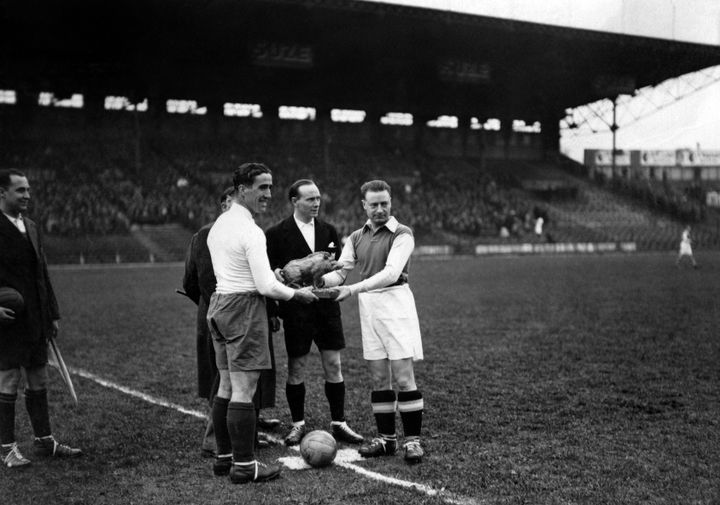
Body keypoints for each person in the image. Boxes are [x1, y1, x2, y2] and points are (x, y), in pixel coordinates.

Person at [206, 163, 317, 484]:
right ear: (242, 190)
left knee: (226, 386)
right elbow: (266, 286)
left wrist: (275, 277)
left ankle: (224, 459)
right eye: (262, 187)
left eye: (270, 187)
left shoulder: (219, 225)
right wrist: (298, 295)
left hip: (220, 305)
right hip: (244, 308)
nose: (268, 194)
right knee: (244, 389)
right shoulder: (250, 231)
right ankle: (244, 465)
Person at [321, 179, 425, 464]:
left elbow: (391, 273)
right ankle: (387, 440)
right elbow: (340, 273)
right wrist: (315, 279)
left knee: (403, 377)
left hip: (396, 303)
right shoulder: (355, 237)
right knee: (379, 377)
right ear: (364, 205)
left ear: (391, 203)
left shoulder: (403, 233)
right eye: (374, 204)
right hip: (370, 306)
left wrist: (352, 289)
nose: (380, 209)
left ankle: (413, 441)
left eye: (385, 203)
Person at [182, 187, 281, 458]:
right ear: (224, 203)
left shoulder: (247, 230)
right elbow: (196, 281)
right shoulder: (207, 234)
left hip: (243, 308)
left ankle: (245, 433)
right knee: (226, 379)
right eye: (228, 201)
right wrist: (217, 304)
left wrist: (271, 311)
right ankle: (217, 440)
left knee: (245, 375)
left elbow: (260, 274)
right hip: (228, 310)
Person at [265, 179, 364, 447]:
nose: (316, 203)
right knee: (296, 368)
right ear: (294, 201)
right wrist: (273, 309)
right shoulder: (275, 234)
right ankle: (297, 424)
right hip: (296, 310)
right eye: (310, 199)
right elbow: (268, 275)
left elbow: (338, 270)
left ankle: (339, 423)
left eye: (318, 198)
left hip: (327, 309)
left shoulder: (329, 230)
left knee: (334, 365)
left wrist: (327, 280)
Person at [0, 169, 82, 468]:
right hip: (7, 319)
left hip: (36, 316)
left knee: (38, 377)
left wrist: (53, 313)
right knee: (8, 379)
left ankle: (44, 441)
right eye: (20, 190)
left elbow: (42, 273)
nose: (27, 195)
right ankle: (7, 448)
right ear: (2, 193)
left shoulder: (32, 227)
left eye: (28, 190)